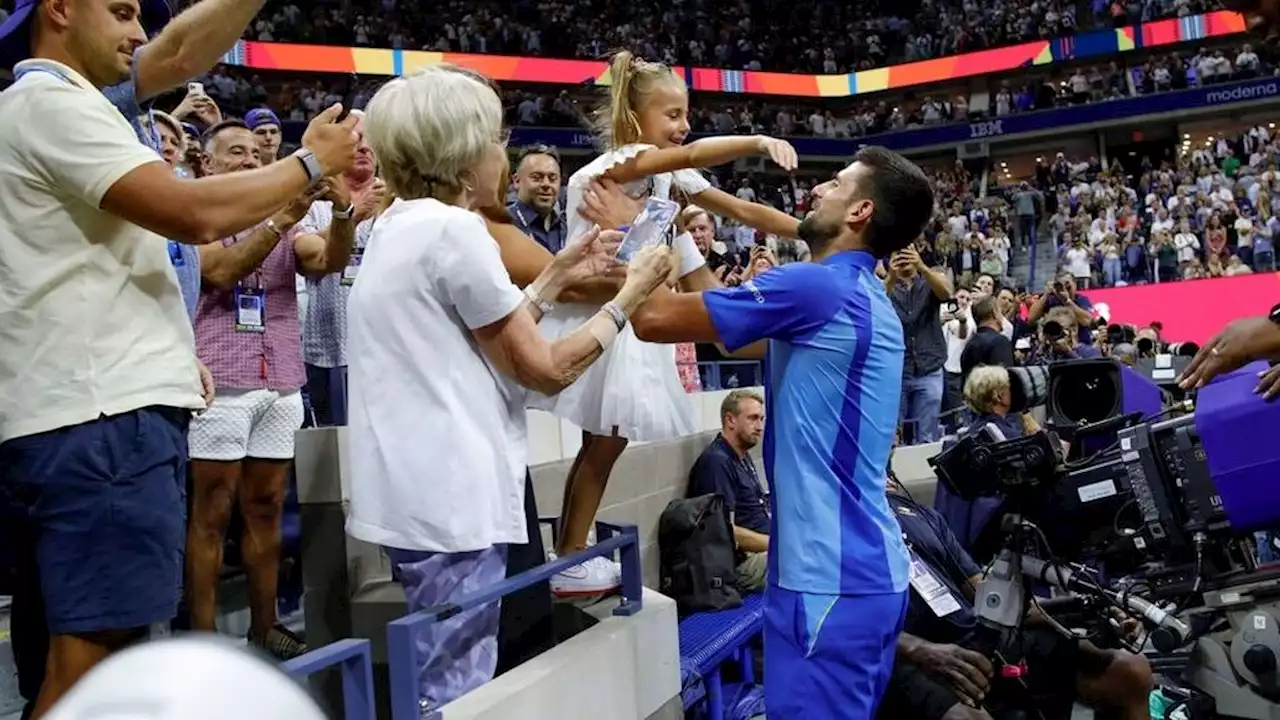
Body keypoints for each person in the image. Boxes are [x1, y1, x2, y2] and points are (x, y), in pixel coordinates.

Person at [0, 0, 358, 715]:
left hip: (77, 410)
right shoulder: (53, 105)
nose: (140, 34)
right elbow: (192, 215)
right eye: (124, 11)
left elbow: (181, 54)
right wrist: (310, 162)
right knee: (94, 667)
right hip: (103, 418)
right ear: (61, 10)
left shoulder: (49, 104)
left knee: (74, 653)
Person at [343, 65, 674, 711]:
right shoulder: (456, 231)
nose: (506, 154)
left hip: (413, 493)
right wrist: (633, 293)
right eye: (496, 141)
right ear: (464, 157)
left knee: (438, 669)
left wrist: (553, 276)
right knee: (457, 689)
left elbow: (477, 332)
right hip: (455, 500)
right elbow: (545, 367)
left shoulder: (400, 223)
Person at [628, 146, 935, 719]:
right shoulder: (856, 296)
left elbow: (652, 319)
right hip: (855, 570)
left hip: (829, 578)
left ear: (860, 210)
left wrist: (639, 224)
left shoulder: (816, 289)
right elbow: (729, 337)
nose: (818, 190)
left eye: (836, 184)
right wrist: (682, 235)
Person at [529, 49, 802, 596]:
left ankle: (571, 552)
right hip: (599, 311)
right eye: (671, 115)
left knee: (606, 443)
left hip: (630, 314)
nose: (684, 127)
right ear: (636, 120)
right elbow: (698, 154)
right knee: (602, 444)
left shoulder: (665, 183)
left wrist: (810, 233)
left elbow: (744, 212)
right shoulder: (622, 164)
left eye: (685, 114)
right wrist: (754, 141)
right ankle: (570, 554)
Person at [185, 118, 361, 657]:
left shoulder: (291, 223)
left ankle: (264, 625)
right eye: (233, 152)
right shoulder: (195, 214)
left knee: (266, 506)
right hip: (221, 379)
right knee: (211, 512)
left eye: (254, 154)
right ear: (208, 164)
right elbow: (219, 272)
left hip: (281, 378)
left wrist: (344, 211)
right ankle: (202, 641)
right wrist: (286, 211)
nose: (248, 160)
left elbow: (328, 260)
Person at [879, 474, 1154, 720]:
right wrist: (921, 651)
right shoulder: (840, 522)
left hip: (972, 638)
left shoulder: (919, 515)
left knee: (1128, 670)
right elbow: (841, 623)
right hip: (900, 656)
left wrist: (1084, 607)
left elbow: (984, 595)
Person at [295, 110, 387, 427]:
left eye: (369, 141)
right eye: (354, 140)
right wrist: (353, 215)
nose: (363, 148)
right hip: (329, 348)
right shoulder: (313, 200)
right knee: (338, 453)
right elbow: (306, 257)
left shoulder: (400, 200)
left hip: (388, 350)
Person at [687, 389, 769, 592]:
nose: (759, 426)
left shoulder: (741, 455)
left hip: (763, 551)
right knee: (810, 559)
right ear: (730, 420)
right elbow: (725, 531)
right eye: (752, 418)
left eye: (761, 419)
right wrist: (776, 544)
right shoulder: (717, 463)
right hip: (742, 566)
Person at [887, 242, 953, 443]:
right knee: (891, 433)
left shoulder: (929, 281)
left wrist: (923, 267)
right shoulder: (886, 285)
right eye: (899, 252)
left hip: (929, 368)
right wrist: (890, 277)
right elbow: (871, 304)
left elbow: (946, 293)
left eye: (908, 251)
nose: (904, 257)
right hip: (896, 370)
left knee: (927, 435)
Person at [507, 144, 567, 253]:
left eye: (552, 179)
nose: (546, 184)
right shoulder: (502, 224)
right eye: (536, 177)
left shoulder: (568, 226)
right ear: (516, 181)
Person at [958, 295, 1016, 386]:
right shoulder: (999, 342)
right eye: (1000, 312)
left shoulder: (969, 344)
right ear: (995, 313)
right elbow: (1003, 382)